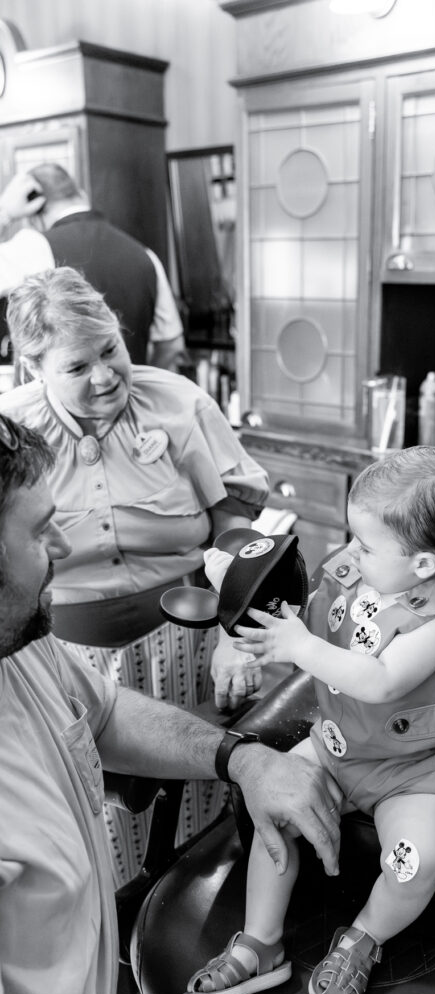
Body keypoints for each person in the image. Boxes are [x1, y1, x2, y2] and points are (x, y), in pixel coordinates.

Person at [0, 410, 342, 994]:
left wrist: (241, 757)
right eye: (39, 532)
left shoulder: (20, 648)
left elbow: (101, 717)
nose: (63, 548)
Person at [184, 446, 435, 994]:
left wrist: (300, 646)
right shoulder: (354, 569)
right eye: (353, 536)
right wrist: (243, 591)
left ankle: (362, 938)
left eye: (367, 544)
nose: (351, 550)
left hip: (411, 771)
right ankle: (262, 940)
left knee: (414, 861)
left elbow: (378, 680)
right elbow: (304, 609)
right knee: (270, 809)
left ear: (422, 564)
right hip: (332, 746)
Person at [0, 266, 269, 885]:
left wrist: (235, 630)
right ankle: (118, 934)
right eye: (76, 367)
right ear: (33, 369)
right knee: (92, 814)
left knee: (197, 797)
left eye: (111, 350)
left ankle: (192, 913)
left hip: (187, 641)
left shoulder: (178, 403)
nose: (104, 376)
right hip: (60, 653)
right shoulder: (13, 439)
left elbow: (236, 531)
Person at [0, 163, 186, 368]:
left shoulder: (32, 245)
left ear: (34, 214)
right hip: (130, 395)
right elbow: (172, 345)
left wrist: (5, 211)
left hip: (61, 399)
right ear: (82, 195)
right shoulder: (145, 254)